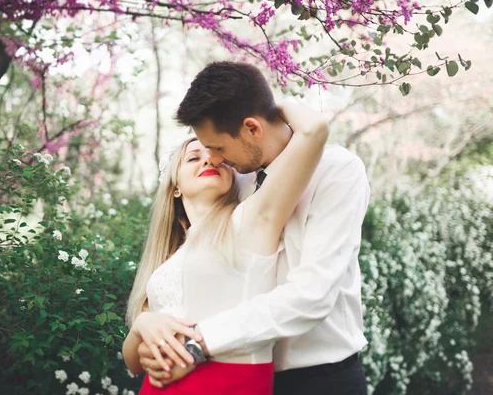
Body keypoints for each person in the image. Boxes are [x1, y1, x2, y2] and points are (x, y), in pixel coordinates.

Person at [136, 61, 371, 395]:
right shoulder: (238, 180)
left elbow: (312, 296)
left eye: (217, 147)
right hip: (239, 377)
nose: (213, 160)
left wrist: (197, 345)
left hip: (319, 379)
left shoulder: (337, 171)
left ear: (252, 128)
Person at [122, 98, 329, 394]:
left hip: (227, 384)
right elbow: (134, 363)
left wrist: (264, 104)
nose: (209, 160)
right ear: (175, 185)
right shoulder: (167, 259)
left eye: (217, 155)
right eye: (194, 158)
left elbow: (314, 129)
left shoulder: (250, 220)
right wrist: (143, 324)